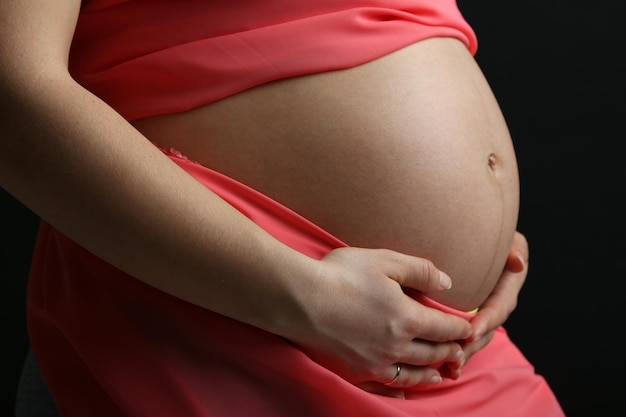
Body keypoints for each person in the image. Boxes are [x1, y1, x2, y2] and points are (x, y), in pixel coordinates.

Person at [0, 0, 565, 416]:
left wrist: (484, 247)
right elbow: (11, 92)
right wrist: (304, 299)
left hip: (444, 353)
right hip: (228, 328)